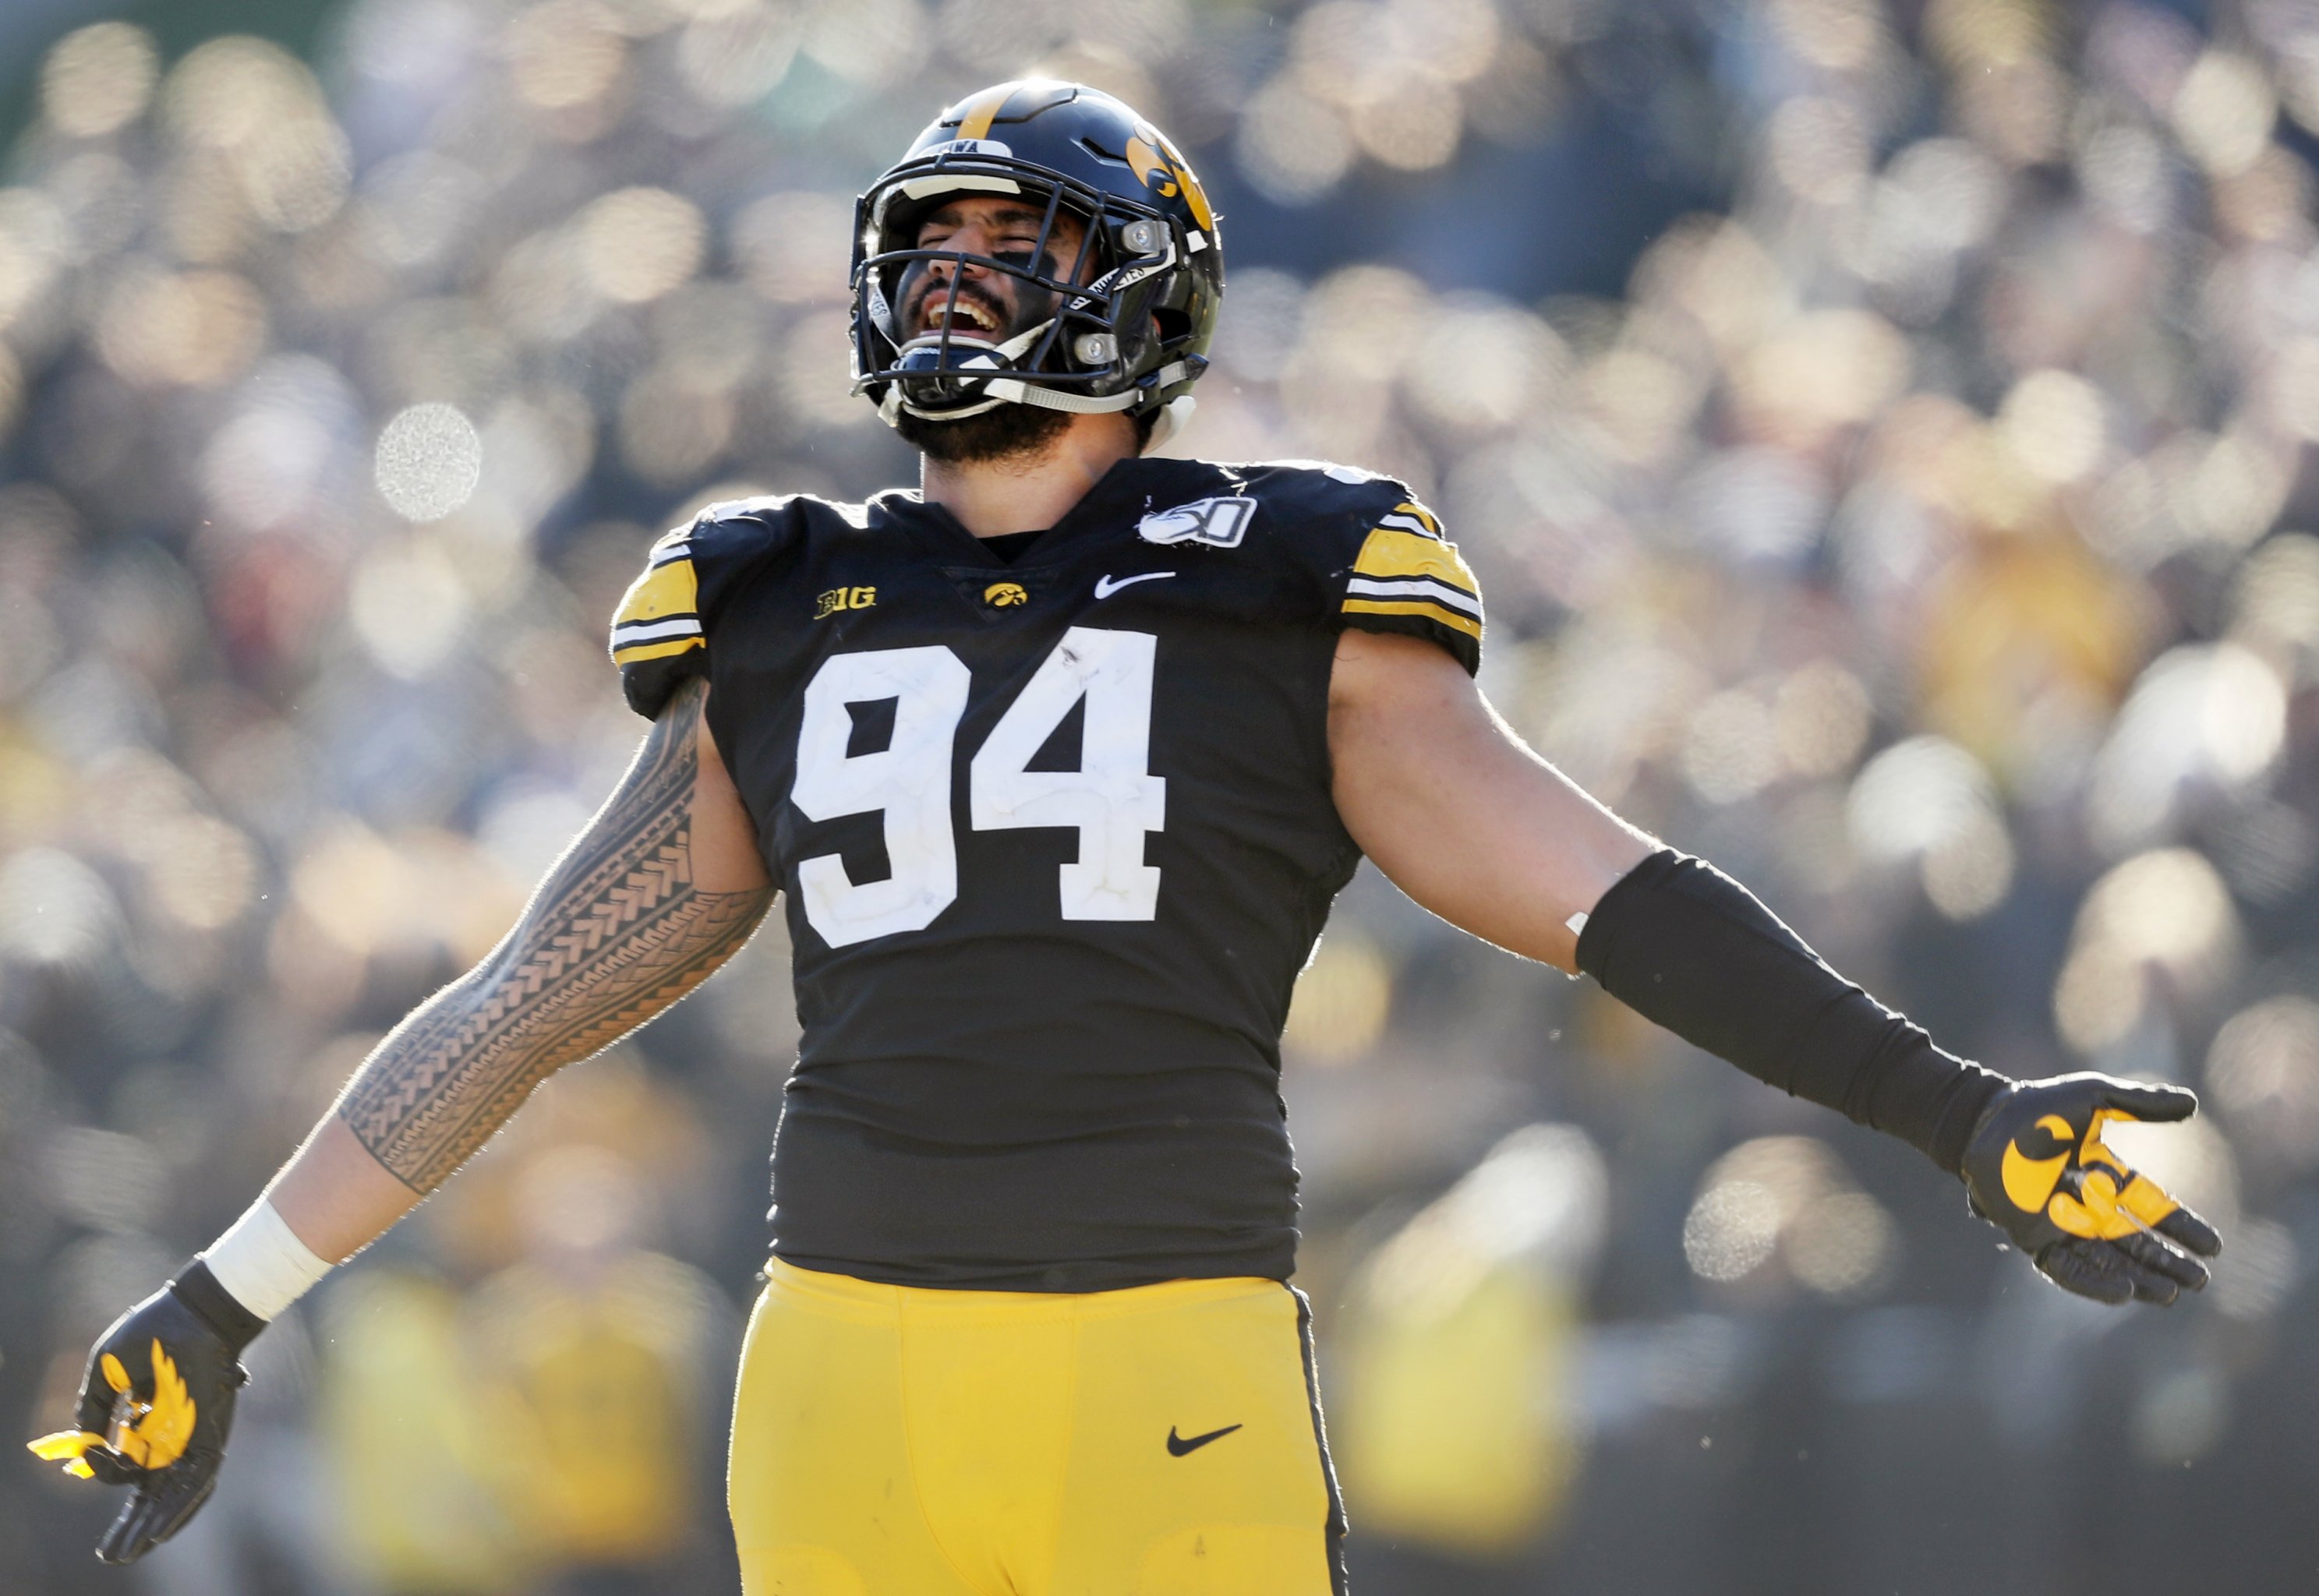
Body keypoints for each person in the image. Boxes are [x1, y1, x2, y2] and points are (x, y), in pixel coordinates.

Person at [31, 80, 2222, 1592]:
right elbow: (521, 1004)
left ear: (1140, 289)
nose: (968, 285)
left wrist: (1948, 1113)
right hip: (847, 1362)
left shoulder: (1289, 575)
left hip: (1148, 1346)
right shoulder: (788, 595)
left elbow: (1606, 892)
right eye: (940, 248)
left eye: (1023, 246)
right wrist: (225, 1302)